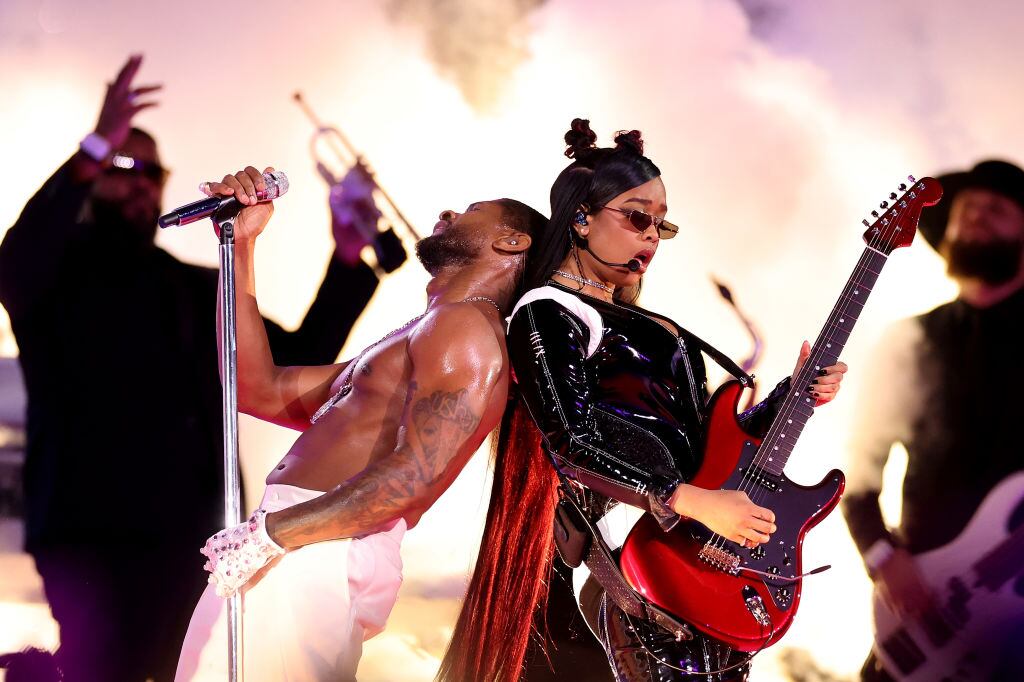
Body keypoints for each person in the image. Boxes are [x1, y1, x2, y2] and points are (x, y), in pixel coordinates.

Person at [0, 55, 386, 682]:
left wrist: (346, 260)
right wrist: (96, 145)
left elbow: (292, 358)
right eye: (122, 168)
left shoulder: (193, 287)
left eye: (151, 172)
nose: (139, 183)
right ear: (94, 176)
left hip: (196, 532)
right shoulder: (53, 278)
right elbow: (15, 257)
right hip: (89, 530)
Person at [439, 119, 849, 681]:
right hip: (644, 561)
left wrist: (792, 395)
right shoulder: (548, 311)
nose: (652, 236)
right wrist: (689, 501)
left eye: (661, 224)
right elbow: (571, 444)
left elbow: (709, 445)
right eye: (637, 217)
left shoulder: (642, 320)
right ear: (581, 216)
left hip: (697, 555)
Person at [174, 165, 547, 681]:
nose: (448, 214)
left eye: (472, 212)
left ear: (511, 242)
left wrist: (273, 535)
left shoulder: (465, 326)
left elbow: (413, 479)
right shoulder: (422, 332)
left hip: (314, 546)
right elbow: (252, 386)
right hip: (293, 540)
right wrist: (240, 244)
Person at [842, 159, 1024, 680]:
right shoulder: (910, 342)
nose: (975, 217)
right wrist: (882, 556)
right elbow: (861, 472)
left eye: (996, 209)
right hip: (926, 612)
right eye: (966, 209)